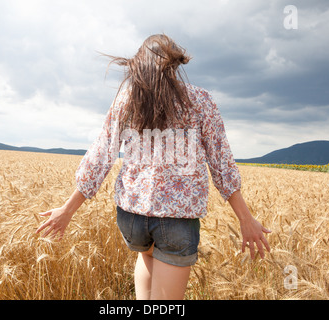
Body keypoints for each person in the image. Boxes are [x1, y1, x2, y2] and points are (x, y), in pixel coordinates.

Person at [36, 34, 271, 300]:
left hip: (131, 220)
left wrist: (67, 209)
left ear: (139, 63)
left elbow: (100, 156)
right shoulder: (200, 101)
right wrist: (245, 218)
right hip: (176, 221)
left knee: (147, 257)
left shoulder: (126, 100)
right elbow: (221, 163)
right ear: (174, 66)